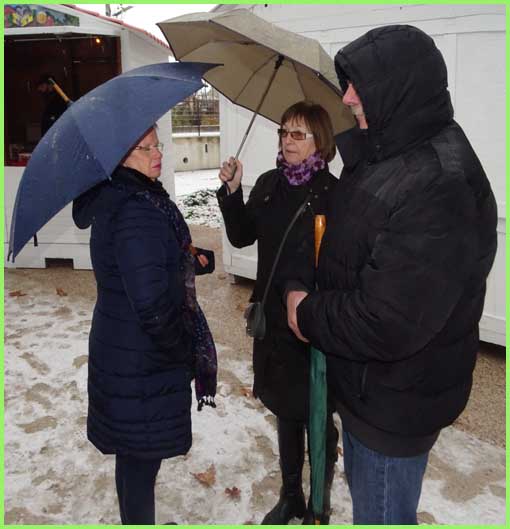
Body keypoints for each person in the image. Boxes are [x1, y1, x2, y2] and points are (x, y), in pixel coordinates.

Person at [286, 25, 498, 525]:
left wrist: (307, 313)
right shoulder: (387, 149)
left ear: (400, 89)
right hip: (369, 390)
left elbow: (388, 320)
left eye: (359, 85)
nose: (347, 97)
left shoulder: (439, 185)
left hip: (392, 406)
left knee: (381, 514)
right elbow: (356, 240)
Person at [72, 126, 217, 525]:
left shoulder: (121, 196)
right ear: (121, 156)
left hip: (123, 347)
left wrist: (186, 261)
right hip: (141, 359)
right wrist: (182, 350)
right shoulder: (138, 210)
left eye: (158, 145)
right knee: (140, 462)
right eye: (145, 148)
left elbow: (142, 268)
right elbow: (152, 304)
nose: (157, 154)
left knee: (133, 457)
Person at [217, 101, 339, 525]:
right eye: (284, 132)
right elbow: (241, 235)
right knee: (286, 410)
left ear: (319, 141)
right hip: (273, 321)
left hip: (311, 325)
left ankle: (320, 502)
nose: (287, 140)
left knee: (317, 414)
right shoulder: (270, 184)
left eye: (297, 134)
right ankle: (291, 496)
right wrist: (233, 192)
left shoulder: (332, 194)